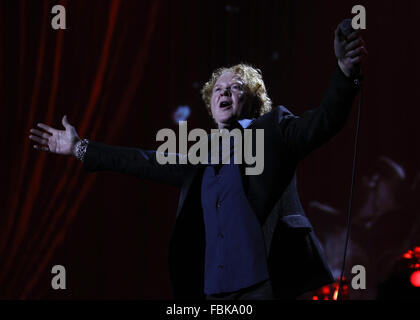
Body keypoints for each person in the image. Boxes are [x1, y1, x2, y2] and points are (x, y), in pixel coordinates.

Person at [29, 23, 367, 300]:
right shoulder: (201, 154)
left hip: (263, 287)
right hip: (212, 293)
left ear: (251, 100)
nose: (223, 92)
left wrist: (344, 71)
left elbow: (324, 121)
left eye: (235, 88)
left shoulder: (274, 129)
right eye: (218, 89)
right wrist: (80, 148)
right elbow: (144, 161)